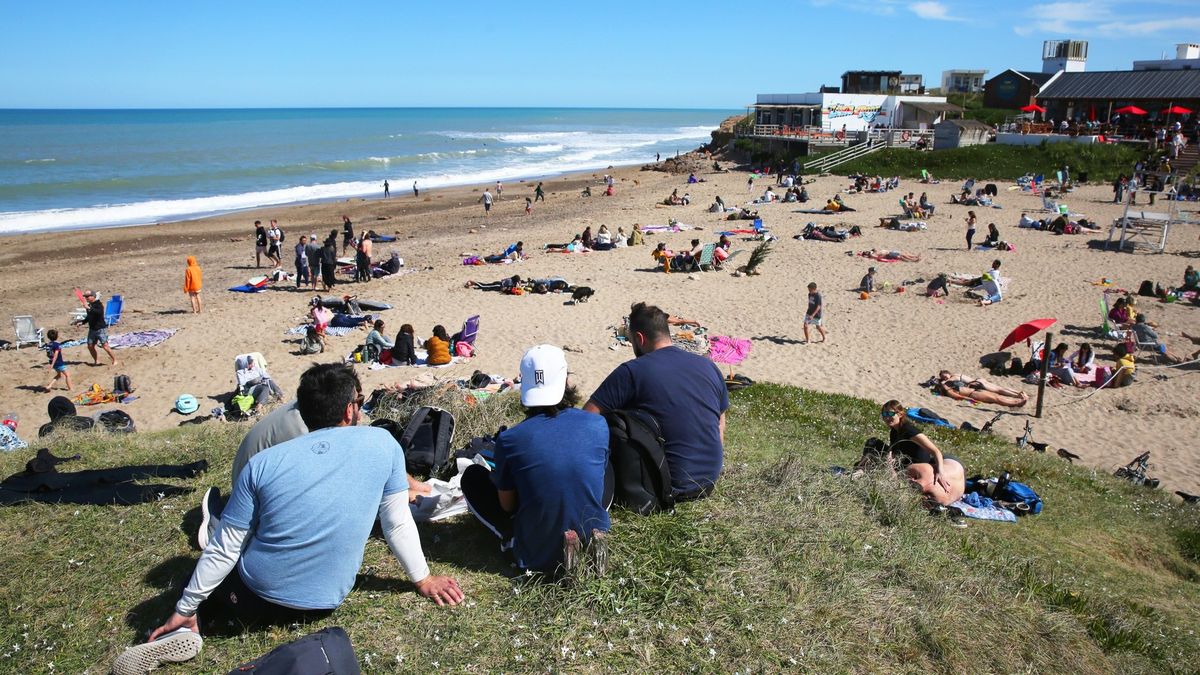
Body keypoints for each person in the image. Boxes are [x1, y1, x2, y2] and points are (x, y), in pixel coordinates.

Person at [121, 364, 462, 674]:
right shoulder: (383, 444)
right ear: (350, 409)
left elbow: (225, 549)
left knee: (203, 568)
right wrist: (423, 579)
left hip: (258, 601)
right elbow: (397, 523)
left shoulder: (264, 464)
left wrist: (186, 604)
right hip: (327, 600)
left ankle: (193, 623)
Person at [461, 345, 611, 576]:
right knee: (598, 465)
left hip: (537, 553)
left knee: (472, 477)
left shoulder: (511, 439)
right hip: (592, 521)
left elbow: (507, 505)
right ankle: (592, 525)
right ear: (566, 380)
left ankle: (509, 537)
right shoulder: (597, 424)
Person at [584, 302, 728, 500]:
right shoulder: (708, 366)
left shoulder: (632, 371)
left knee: (611, 420)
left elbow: (587, 417)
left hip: (664, 487)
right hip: (708, 482)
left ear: (639, 338)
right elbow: (721, 422)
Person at [876, 401, 966, 506]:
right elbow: (893, 450)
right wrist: (890, 462)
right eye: (884, 414)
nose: (887, 418)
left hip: (927, 465)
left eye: (890, 414)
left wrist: (940, 472)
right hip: (913, 466)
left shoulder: (909, 431)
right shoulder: (894, 431)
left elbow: (936, 451)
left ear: (900, 414)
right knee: (874, 445)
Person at [935, 371, 1028, 407]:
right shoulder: (948, 389)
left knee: (998, 394)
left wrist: (942, 382)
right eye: (943, 379)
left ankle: (1017, 400)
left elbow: (957, 393)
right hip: (974, 392)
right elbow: (957, 396)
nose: (944, 379)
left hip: (975, 387)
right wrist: (970, 400)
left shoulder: (953, 378)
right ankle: (1017, 402)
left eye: (945, 377)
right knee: (997, 397)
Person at [75, 290, 118, 366]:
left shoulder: (99, 304)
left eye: (88, 296)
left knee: (105, 346)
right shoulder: (89, 305)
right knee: (90, 346)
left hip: (101, 328)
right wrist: (82, 322)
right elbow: (89, 316)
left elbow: (98, 313)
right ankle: (96, 360)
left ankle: (115, 360)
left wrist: (89, 308)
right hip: (92, 329)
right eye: (85, 297)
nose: (86, 298)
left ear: (93, 296)